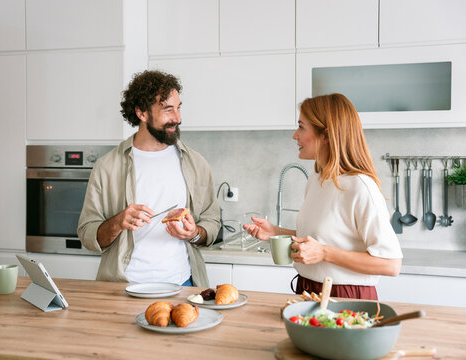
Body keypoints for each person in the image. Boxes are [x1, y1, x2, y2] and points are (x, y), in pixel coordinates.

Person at [244, 93, 402, 300]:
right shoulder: (316, 180)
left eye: (301, 127)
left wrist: (325, 253)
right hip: (308, 290)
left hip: (345, 296)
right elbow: (323, 238)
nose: (295, 135)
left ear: (326, 135)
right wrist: (275, 231)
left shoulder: (361, 187)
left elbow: (391, 264)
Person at [78, 70, 220, 287]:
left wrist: (193, 233)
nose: (177, 118)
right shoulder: (107, 166)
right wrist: (118, 222)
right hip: (123, 287)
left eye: (179, 107)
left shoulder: (196, 163)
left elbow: (211, 222)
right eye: (168, 109)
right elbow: (88, 235)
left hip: (182, 284)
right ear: (141, 113)